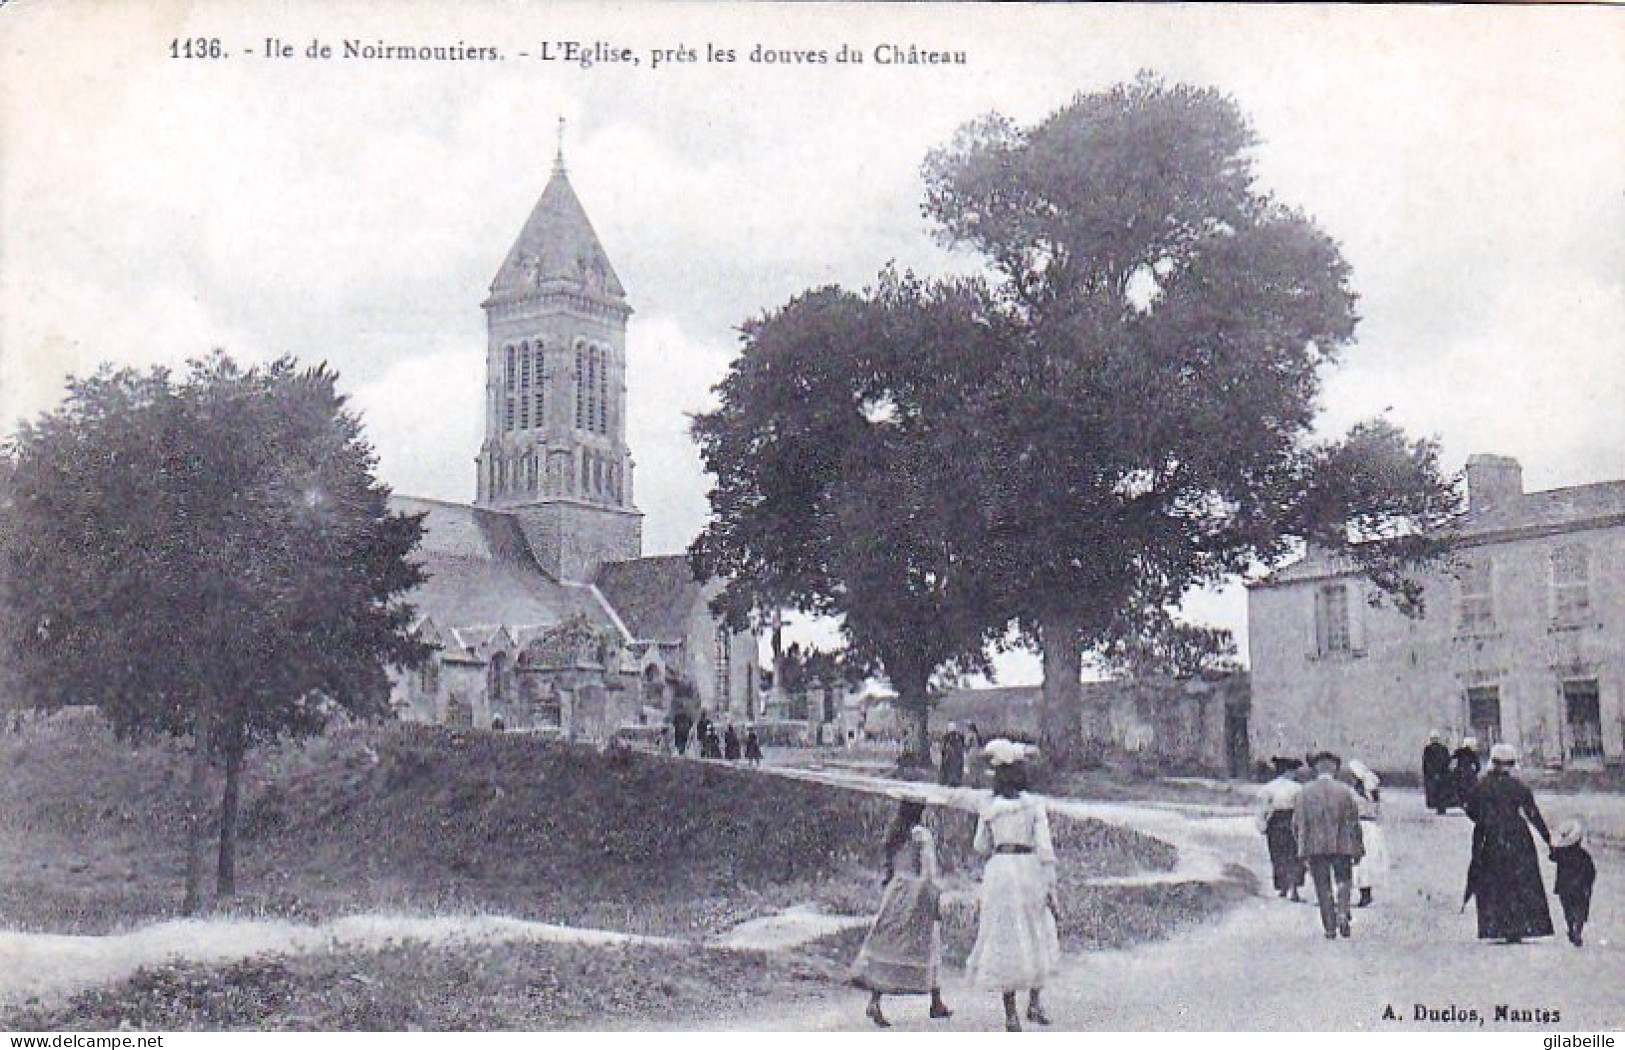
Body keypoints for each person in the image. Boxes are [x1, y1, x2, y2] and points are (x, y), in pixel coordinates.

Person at [966, 739, 1061, 1031]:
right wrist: (1051, 886)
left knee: (1004, 934)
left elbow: (980, 845)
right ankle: (1034, 1001)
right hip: (1028, 867)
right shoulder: (1034, 806)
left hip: (1000, 870)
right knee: (1037, 928)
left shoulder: (990, 807)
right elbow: (1045, 848)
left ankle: (1011, 1013)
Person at [852, 798, 953, 1026]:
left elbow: (891, 864)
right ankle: (935, 1001)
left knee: (890, 943)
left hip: (896, 889)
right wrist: (934, 895)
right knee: (928, 942)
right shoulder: (921, 835)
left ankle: (876, 999)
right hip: (916, 890)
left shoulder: (895, 833)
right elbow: (928, 871)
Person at [1463, 742, 1553, 944]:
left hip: (1490, 837)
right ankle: (1519, 926)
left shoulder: (1481, 785)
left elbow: (1470, 808)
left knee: (1494, 880)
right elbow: (1533, 814)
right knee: (1519, 881)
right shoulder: (1518, 787)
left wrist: (1484, 820)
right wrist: (1547, 838)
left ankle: (1496, 926)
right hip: (1517, 836)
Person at [1293, 750, 1364, 940]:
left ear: (1316, 769)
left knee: (1322, 885)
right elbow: (1354, 822)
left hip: (1315, 846)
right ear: (1334, 769)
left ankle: (1330, 926)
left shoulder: (1303, 793)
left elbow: (1297, 823)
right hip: (1342, 844)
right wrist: (1358, 847)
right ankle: (1342, 912)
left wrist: (1301, 848)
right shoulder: (1345, 792)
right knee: (1343, 880)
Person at [1255, 757, 1305, 901]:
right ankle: (1293, 888)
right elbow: (1301, 808)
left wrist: (1262, 824)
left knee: (1278, 854)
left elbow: (1263, 809)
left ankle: (1283, 886)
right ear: (1288, 771)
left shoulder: (1268, 787)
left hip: (1275, 822)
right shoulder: (1297, 788)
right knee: (1294, 855)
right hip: (1291, 820)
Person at [1345, 759, 1389, 908]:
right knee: (1367, 861)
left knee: (1359, 861)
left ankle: (1362, 893)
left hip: (1360, 827)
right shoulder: (1373, 795)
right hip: (1371, 828)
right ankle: (1366, 892)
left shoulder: (1354, 795)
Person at [1549, 820, 1595, 947]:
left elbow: (1551, 856)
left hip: (1565, 887)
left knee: (1568, 910)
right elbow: (1591, 871)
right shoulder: (1584, 855)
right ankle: (1577, 931)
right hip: (1581, 886)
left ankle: (1571, 928)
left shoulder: (1561, 854)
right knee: (1580, 910)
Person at [1422, 731, 1453, 814]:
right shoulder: (1442, 749)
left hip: (1434, 774)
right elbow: (1447, 761)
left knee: (1436, 791)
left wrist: (1429, 773)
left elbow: (1426, 763)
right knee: (1441, 792)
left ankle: (1439, 807)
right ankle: (1441, 808)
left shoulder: (1428, 749)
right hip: (1442, 774)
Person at [1451, 737, 1482, 811]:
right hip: (1469, 773)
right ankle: (1468, 802)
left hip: (1459, 772)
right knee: (1470, 789)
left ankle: (1460, 802)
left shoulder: (1458, 752)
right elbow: (1478, 766)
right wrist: (1474, 772)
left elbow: (1452, 761)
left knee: (1459, 788)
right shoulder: (1473, 753)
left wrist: (1453, 770)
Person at [938, 722, 966, 787]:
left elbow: (944, 746)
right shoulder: (956, 736)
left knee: (953, 769)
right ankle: (952, 781)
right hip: (954, 755)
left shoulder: (950, 737)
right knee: (953, 769)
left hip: (952, 755)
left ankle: (952, 781)